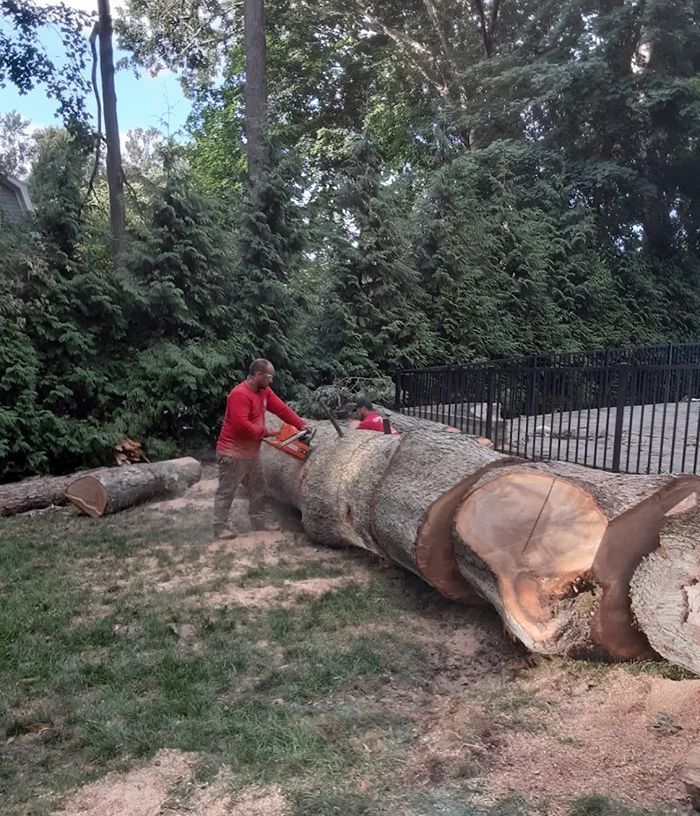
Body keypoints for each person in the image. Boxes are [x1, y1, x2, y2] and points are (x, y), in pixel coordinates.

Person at [213, 358, 307, 539]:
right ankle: (219, 527)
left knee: (258, 487)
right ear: (258, 374)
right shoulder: (239, 394)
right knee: (227, 491)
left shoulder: (264, 391)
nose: (271, 380)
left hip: (251, 453)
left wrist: (301, 424)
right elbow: (242, 425)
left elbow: (281, 409)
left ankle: (258, 522)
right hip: (232, 452)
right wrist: (266, 432)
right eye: (269, 377)